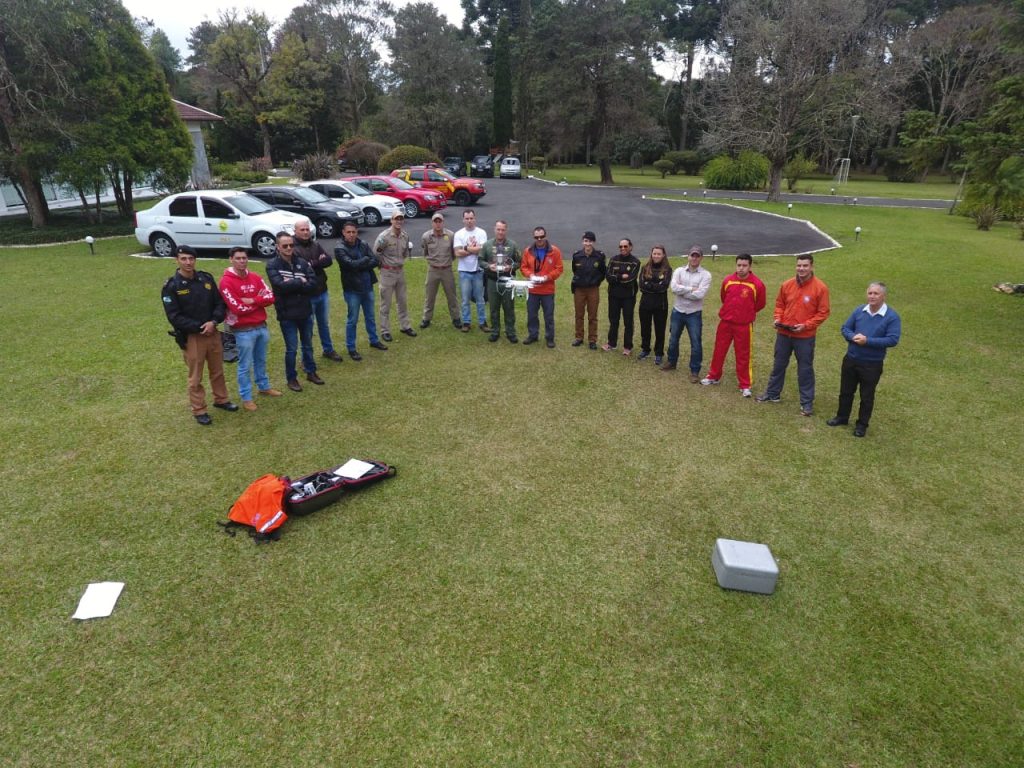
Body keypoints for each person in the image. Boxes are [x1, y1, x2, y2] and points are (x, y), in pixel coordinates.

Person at [161, 245, 237, 425]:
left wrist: (214, 321)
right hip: (193, 337)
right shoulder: (172, 286)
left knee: (217, 370)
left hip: (213, 332)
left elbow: (219, 303)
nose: (188, 262)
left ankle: (221, 399)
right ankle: (199, 409)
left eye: (191, 258)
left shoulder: (206, 278)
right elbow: (174, 316)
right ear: (176, 260)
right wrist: (199, 327)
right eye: (184, 259)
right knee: (195, 377)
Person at [756, 254, 831, 416]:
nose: (801, 269)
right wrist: (777, 318)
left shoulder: (820, 288)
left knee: (805, 370)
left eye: (805, 266)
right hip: (784, 334)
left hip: (804, 337)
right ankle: (773, 394)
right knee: (778, 365)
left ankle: (806, 403)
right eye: (799, 265)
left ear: (811, 267)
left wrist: (806, 326)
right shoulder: (787, 285)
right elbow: (780, 305)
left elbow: (823, 312)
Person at [827, 282, 902, 437]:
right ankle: (842, 417)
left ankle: (862, 425)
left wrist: (867, 341)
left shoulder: (891, 317)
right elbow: (845, 328)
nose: (872, 296)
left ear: (883, 296)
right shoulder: (859, 310)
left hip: (871, 364)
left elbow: (892, 339)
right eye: (870, 293)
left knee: (866, 396)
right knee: (846, 391)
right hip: (851, 359)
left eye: (876, 293)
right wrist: (853, 336)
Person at [218, 247, 281, 411]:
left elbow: (271, 297)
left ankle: (264, 387)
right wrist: (259, 302)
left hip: (261, 326)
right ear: (231, 259)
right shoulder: (226, 282)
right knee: (245, 365)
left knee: (261, 360)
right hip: (242, 331)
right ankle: (246, 397)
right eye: (238, 258)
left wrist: (252, 300)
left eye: (244, 258)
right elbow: (237, 308)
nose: (242, 261)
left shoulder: (255, 277)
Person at [266, 231, 324, 392]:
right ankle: (291, 378)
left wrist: (291, 282)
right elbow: (279, 286)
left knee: (308, 345)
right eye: (285, 246)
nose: (289, 248)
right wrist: (300, 280)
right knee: (291, 349)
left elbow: (313, 284)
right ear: (278, 247)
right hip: (287, 314)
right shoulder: (272, 265)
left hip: (305, 311)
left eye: (291, 245)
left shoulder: (302, 262)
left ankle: (311, 372)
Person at [702, 253, 766, 396]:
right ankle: (713, 376)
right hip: (725, 322)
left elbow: (760, 304)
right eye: (739, 265)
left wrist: (746, 313)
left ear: (750, 266)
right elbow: (724, 297)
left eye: (744, 265)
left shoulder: (757, 284)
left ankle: (745, 384)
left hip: (744, 325)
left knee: (743, 354)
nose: (741, 268)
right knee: (719, 350)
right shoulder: (728, 280)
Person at [291, 218, 343, 363]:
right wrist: (317, 262)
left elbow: (328, 260)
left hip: (322, 291)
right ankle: (306, 359)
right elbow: (300, 269)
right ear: (295, 231)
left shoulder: (315, 244)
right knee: (307, 328)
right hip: (307, 295)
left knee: (324, 324)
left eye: (307, 229)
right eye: (302, 230)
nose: (305, 232)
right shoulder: (292, 248)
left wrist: (312, 263)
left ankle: (328, 350)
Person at [335, 222, 387, 361]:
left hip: (367, 286)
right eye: (349, 232)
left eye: (354, 232)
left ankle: (374, 340)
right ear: (343, 233)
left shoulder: (363, 244)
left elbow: (375, 260)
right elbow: (350, 265)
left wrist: (359, 264)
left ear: (357, 232)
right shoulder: (339, 248)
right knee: (352, 320)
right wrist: (364, 259)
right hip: (352, 289)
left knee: (370, 316)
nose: (351, 234)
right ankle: (351, 348)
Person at [663, 246, 712, 381]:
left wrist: (683, 291)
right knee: (673, 339)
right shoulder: (679, 271)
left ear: (701, 258)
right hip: (678, 311)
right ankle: (672, 362)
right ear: (688, 256)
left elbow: (699, 294)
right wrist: (691, 289)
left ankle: (695, 371)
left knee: (695, 343)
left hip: (694, 314)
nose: (694, 258)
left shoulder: (706, 275)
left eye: (697, 256)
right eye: (692, 255)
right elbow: (674, 288)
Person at [373, 212, 417, 342]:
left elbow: (405, 252)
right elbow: (376, 253)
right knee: (385, 303)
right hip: (387, 273)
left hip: (400, 272)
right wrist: (384, 266)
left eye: (401, 219)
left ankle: (405, 326)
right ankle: (385, 330)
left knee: (402, 301)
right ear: (391, 220)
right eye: (396, 219)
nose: (398, 221)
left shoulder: (405, 235)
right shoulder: (384, 237)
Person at [520, 226, 564, 348]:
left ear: (546, 236)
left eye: (541, 237)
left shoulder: (555, 251)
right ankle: (533, 335)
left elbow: (559, 268)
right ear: (534, 237)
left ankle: (550, 338)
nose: (539, 239)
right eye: (536, 237)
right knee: (532, 314)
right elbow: (523, 267)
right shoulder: (528, 251)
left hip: (547, 290)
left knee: (548, 316)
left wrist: (547, 277)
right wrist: (530, 275)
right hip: (532, 289)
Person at [480, 219, 521, 343]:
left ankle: (510, 332)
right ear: (494, 229)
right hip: (492, 281)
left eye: (503, 230)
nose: (500, 232)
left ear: (506, 230)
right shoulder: (487, 245)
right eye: (498, 229)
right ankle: (495, 331)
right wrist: (489, 266)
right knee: (493, 307)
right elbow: (480, 260)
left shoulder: (512, 245)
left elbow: (519, 262)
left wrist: (511, 267)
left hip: (507, 280)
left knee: (509, 307)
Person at [420, 212, 461, 330]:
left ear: (443, 222)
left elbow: (454, 253)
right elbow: (425, 252)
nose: (438, 224)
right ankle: (426, 319)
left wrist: (447, 263)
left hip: (447, 270)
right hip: (432, 270)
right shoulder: (426, 236)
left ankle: (456, 318)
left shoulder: (451, 235)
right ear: (432, 223)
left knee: (452, 296)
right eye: (435, 221)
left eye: (440, 221)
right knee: (429, 296)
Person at [604, 237, 641, 355]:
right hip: (613, 296)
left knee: (628, 322)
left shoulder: (635, 262)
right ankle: (611, 343)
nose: (623, 248)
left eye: (625, 246)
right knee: (613, 320)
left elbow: (630, 280)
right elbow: (608, 277)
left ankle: (627, 346)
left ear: (631, 247)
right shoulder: (613, 260)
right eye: (621, 246)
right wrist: (621, 276)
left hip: (628, 297)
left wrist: (616, 277)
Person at [454, 209, 489, 332]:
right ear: (463, 220)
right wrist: (474, 249)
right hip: (464, 271)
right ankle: (466, 322)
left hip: (478, 270)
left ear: (475, 219)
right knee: (465, 299)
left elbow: (483, 251)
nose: (469, 221)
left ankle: (482, 322)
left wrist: (465, 248)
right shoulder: (459, 234)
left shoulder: (481, 233)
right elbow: (457, 253)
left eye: (471, 218)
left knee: (480, 299)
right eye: (467, 218)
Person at [570, 231, 606, 349]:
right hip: (579, 289)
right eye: (586, 241)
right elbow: (575, 270)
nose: (588, 244)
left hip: (593, 289)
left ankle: (592, 340)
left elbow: (603, 272)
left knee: (592, 316)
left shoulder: (599, 256)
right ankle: (579, 337)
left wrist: (596, 282)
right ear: (583, 242)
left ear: (593, 242)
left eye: (590, 241)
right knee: (579, 315)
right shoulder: (577, 256)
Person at [637, 245, 672, 365]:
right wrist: (655, 285)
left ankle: (659, 353)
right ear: (651, 254)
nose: (656, 256)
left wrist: (649, 284)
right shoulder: (645, 268)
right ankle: (645, 349)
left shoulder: (667, 269)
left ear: (663, 255)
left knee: (660, 330)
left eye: (659, 254)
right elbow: (642, 286)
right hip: (645, 304)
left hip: (660, 305)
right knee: (645, 328)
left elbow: (663, 287)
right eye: (654, 253)